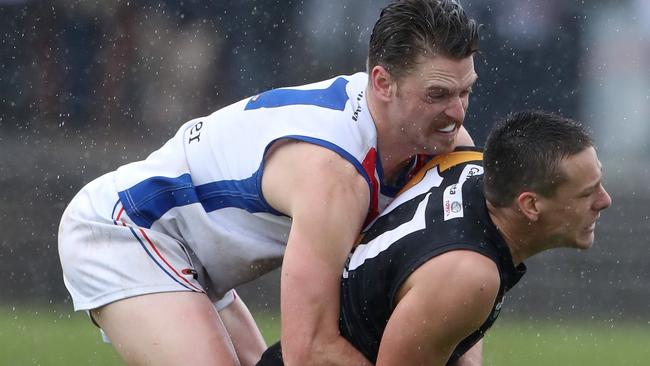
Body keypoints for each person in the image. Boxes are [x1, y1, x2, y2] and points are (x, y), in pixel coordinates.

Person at [57, 0, 480, 365]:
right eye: (438, 95)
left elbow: (465, 276)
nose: (457, 113)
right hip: (126, 228)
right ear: (383, 83)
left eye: (465, 92)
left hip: (194, 257)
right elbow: (308, 351)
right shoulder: (333, 175)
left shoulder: (447, 144)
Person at [257, 110, 613, 366]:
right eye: (587, 194)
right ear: (530, 204)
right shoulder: (469, 274)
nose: (604, 201)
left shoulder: (470, 164)